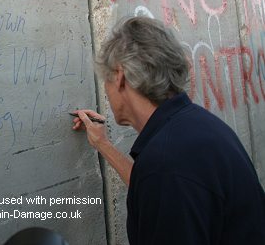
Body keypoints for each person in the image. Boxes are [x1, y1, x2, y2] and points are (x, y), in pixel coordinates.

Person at [71, 16, 265, 245]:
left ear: (120, 76)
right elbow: (155, 189)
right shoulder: (196, 127)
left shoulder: (166, 163)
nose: (106, 89)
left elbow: (164, 182)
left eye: (106, 79)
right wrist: (103, 144)